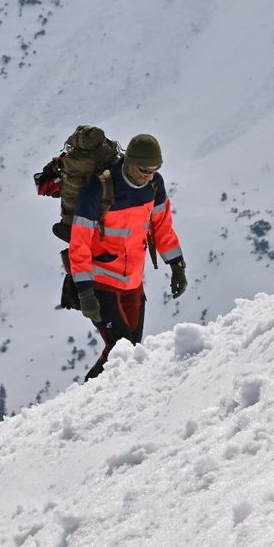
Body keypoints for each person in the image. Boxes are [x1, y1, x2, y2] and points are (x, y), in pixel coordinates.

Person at [70, 133, 185, 381]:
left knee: (131, 353)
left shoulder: (154, 186)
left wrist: (177, 265)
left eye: (155, 169)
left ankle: (112, 408)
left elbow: (162, 228)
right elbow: (79, 244)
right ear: (130, 162)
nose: (150, 175)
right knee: (119, 352)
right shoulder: (99, 190)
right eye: (145, 169)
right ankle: (81, 403)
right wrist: (85, 293)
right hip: (101, 283)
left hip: (133, 283)